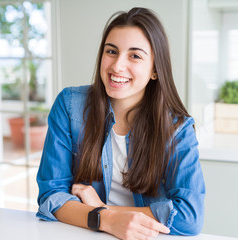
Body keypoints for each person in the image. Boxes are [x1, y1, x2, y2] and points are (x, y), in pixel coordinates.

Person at [36, 7, 205, 239]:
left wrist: (102, 209)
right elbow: (51, 196)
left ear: (155, 69)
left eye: (134, 55)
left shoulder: (177, 129)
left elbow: (189, 217)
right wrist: (107, 220)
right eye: (111, 51)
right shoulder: (69, 105)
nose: (117, 66)